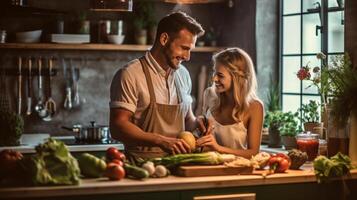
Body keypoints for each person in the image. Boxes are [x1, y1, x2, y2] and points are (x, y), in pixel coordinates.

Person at [109, 11, 211, 159]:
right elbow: (118, 127)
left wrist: (198, 123)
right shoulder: (130, 74)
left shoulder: (183, 75)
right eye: (184, 48)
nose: (187, 57)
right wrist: (160, 141)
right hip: (142, 167)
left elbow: (187, 120)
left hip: (178, 165)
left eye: (190, 50)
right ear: (164, 39)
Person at [197, 47, 264, 158]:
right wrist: (199, 122)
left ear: (237, 78)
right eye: (214, 72)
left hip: (236, 171)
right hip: (207, 166)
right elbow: (203, 137)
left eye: (220, 75)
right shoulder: (209, 94)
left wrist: (218, 148)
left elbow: (253, 153)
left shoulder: (255, 107)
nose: (214, 79)